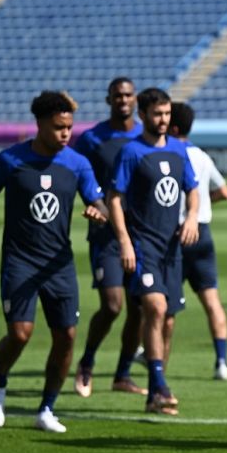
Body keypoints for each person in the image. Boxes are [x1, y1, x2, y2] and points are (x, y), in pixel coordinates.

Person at [0, 91, 106, 432]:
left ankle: (46, 409)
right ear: (39, 124)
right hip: (20, 262)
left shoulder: (78, 163)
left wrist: (100, 213)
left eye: (69, 127)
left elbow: (101, 204)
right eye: (58, 127)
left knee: (66, 336)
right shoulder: (11, 160)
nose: (66, 134)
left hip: (59, 265)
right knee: (20, 335)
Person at [108, 87, 199, 416]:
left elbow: (193, 190)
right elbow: (115, 199)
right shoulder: (131, 152)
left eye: (166, 114)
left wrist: (191, 217)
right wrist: (124, 241)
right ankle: (160, 386)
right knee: (156, 309)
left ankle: (155, 391)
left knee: (169, 321)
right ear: (143, 115)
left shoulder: (178, 149)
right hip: (143, 245)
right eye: (157, 114)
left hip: (172, 248)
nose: (163, 120)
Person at [73, 77, 148, 397]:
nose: (123, 100)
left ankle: (122, 374)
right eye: (117, 95)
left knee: (139, 309)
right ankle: (87, 362)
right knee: (113, 305)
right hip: (106, 234)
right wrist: (92, 206)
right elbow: (77, 176)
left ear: (135, 100)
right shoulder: (92, 139)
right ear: (108, 99)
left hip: (142, 234)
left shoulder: (145, 137)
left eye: (128, 95)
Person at [169, 102, 227, 381]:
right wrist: (203, 207)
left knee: (164, 304)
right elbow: (224, 191)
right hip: (202, 231)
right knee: (211, 300)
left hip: (175, 233)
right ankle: (221, 362)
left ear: (171, 126)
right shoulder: (202, 156)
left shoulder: (168, 152)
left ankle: (157, 362)